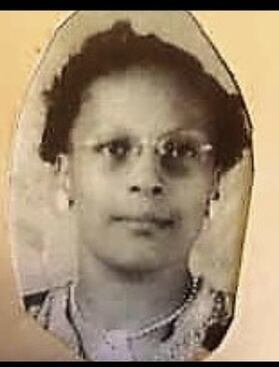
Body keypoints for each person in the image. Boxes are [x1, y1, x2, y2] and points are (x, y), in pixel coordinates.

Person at [21, 19, 251, 361]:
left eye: (180, 150)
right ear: (66, 173)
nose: (146, 180)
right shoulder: (19, 326)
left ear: (214, 180)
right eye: (115, 148)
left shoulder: (251, 329)